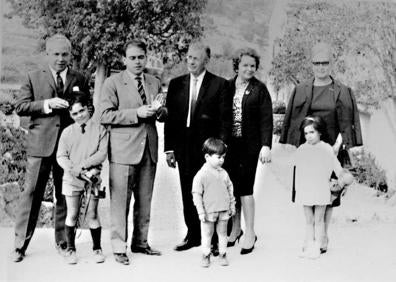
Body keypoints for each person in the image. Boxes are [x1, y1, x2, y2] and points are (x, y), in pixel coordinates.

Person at [12, 34, 90, 262]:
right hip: (40, 147)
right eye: (56, 54)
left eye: (65, 54)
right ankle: (20, 245)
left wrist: (82, 116)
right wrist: (47, 104)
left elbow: (89, 108)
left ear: (70, 54)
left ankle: (64, 242)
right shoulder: (33, 77)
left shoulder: (80, 78)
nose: (61, 58)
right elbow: (20, 106)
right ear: (47, 54)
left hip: (69, 149)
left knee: (66, 194)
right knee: (31, 193)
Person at [280, 42, 363, 253]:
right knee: (309, 190)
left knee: (329, 191)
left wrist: (337, 145)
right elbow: (293, 119)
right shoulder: (300, 90)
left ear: (330, 64)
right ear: (312, 65)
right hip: (308, 149)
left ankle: (323, 233)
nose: (321, 67)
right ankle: (310, 235)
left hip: (331, 148)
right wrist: (291, 146)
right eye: (317, 63)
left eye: (325, 63)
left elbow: (346, 121)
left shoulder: (342, 91)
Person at [99, 39, 167, 265]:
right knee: (120, 202)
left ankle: (141, 242)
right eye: (133, 58)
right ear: (124, 59)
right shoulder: (112, 82)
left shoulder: (154, 82)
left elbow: (160, 113)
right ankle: (119, 247)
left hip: (148, 148)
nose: (137, 62)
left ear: (146, 58)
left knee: (145, 199)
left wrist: (161, 111)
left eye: (141, 57)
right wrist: (136, 113)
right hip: (123, 151)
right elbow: (105, 115)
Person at [164, 41, 228, 252]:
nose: (191, 61)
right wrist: (169, 149)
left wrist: (220, 148)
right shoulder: (176, 84)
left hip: (208, 148)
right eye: (189, 57)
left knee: (211, 192)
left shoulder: (219, 84)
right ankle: (193, 234)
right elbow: (171, 120)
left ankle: (216, 240)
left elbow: (223, 119)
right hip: (183, 147)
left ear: (206, 60)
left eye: (196, 58)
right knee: (188, 190)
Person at [224, 47, 273, 255]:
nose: (249, 69)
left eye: (253, 66)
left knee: (245, 188)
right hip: (229, 147)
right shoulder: (226, 86)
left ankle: (250, 232)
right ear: (237, 65)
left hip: (249, 147)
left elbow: (266, 119)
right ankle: (235, 229)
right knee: (231, 190)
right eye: (245, 65)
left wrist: (266, 145)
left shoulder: (260, 89)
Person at [56, 92, 108, 264]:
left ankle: (97, 248)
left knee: (93, 214)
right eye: (74, 113)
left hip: (92, 178)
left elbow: (101, 154)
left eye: (82, 111)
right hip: (72, 179)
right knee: (72, 214)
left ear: (88, 108)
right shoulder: (66, 133)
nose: (79, 116)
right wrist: (75, 170)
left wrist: (85, 167)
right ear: (70, 115)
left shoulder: (100, 129)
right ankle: (71, 249)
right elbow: (61, 156)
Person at [293, 116, 354, 259]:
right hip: (305, 189)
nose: (308, 136)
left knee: (319, 220)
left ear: (320, 132)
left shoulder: (327, 149)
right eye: (306, 133)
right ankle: (309, 245)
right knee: (309, 221)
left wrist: (343, 180)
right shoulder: (301, 149)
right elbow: (299, 171)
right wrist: (298, 190)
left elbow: (337, 169)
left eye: (312, 132)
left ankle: (317, 247)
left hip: (321, 189)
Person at [192, 138, 236, 267]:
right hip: (208, 211)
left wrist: (232, 205)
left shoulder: (224, 174)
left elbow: (230, 190)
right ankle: (206, 255)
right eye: (218, 157)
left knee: (223, 234)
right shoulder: (201, 175)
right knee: (207, 234)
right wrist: (200, 211)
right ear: (207, 156)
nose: (222, 160)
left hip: (223, 210)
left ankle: (223, 254)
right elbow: (197, 194)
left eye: (223, 157)